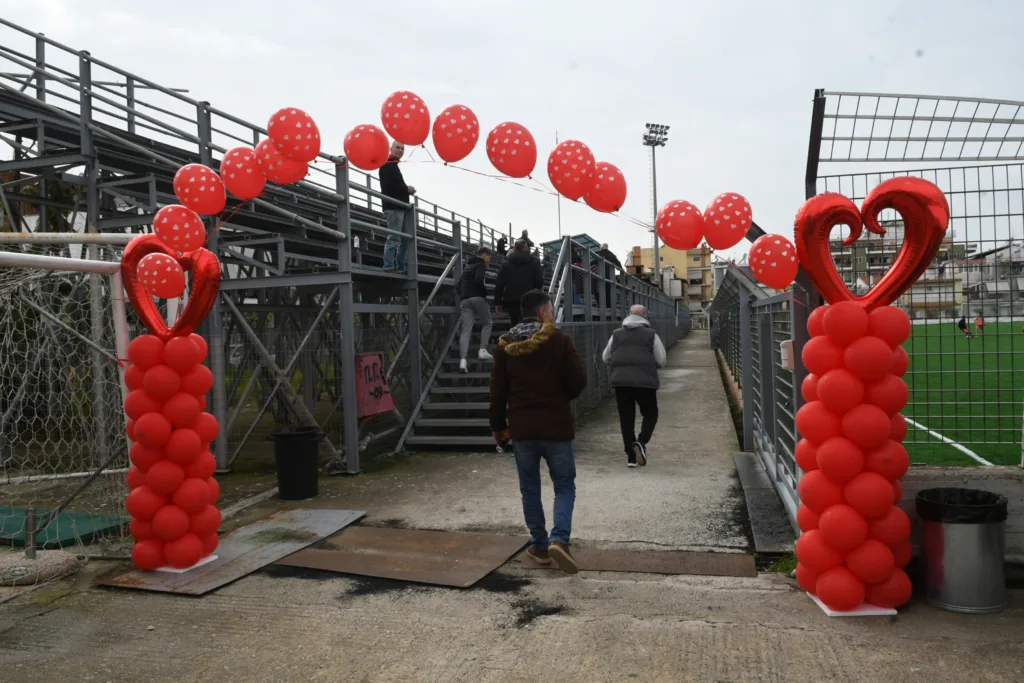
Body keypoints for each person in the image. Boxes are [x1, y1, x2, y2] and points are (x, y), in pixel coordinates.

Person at [490, 289, 587, 573]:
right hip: (556, 426)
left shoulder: (505, 345)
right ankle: (560, 540)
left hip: (521, 428)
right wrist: (561, 396)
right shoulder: (559, 341)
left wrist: (498, 427)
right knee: (565, 486)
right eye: (552, 309)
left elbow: (497, 391)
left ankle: (540, 546)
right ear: (544, 312)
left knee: (529, 488)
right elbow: (578, 381)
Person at [602, 304, 667, 467]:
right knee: (651, 414)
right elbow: (661, 360)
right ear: (645, 316)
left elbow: (605, 357)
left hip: (621, 383)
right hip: (645, 383)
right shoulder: (651, 335)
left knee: (626, 418)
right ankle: (641, 442)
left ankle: (631, 457)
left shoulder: (616, 335)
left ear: (629, 315)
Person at [378, 141, 416, 273]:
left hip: (400, 207)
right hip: (393, 207)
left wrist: (406, 190)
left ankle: (400, 266)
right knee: (394, 237)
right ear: (391, 148)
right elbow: (390, 187)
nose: (400, 150)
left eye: (402, 148)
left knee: (404, 239)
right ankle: (389, 265)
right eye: (397, 147)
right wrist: (407, 189)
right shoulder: (387, 164)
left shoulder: (392, 165)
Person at [458, 246, 494, 372]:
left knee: (466, 330)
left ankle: (463, 361)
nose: (489, 259)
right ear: (483, 255)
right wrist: (485, 293)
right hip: (477, 297)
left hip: (464, 299)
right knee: (488, 322)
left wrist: (463, 295)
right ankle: (483, 350)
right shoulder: (481, 265)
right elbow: (479, 280)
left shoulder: (467, 267)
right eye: (489, 256)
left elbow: (459, 285)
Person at [494, 239, 544, 326]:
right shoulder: (534, 262)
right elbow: (539, 281)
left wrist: (498, 302)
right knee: (530, 326)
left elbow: (500, 284)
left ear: (514, 248)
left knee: (515, 326)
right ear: (525, 248)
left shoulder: (506, 263)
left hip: (512, 301)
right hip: (530, 300)